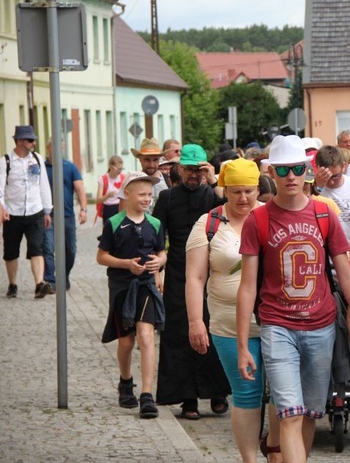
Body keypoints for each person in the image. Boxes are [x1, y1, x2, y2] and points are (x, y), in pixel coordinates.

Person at [236, 135, 350, 463]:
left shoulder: (324, 213)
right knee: (288, 414)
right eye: (283, 169)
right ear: (271, 172)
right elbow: (247, 286)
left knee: (309, 414)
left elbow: (345, 274)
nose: (291, 176)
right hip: (278, 327)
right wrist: (242, 344)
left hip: (322, 326)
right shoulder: (258, 219)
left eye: (297, 168)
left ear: (308, 170)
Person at [185, 158, 267, 462]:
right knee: (246, 393)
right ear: (224, 190)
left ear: (258, 188)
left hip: (276, 322)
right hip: (228, 325)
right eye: (235, 192)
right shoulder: (208, 225)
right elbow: (194, 278)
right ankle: (249, 459)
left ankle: (278, 452)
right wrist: (196, 321)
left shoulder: (272, 217)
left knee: (280, 395)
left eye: (248, 191)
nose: (243, 198)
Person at [153, 143, 231, 420]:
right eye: (188, 169)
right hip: (177, 272)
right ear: (179, 168)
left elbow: (232, 217)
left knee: (213, 328)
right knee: (179, 334)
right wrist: (156, 268)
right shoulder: (167, 198)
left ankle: (218, 392)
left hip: (211, 271)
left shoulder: (212, 196)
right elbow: (156, 236)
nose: (193, 174)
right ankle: (187, 398)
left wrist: (215, 181)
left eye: (198, 170)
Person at [96, 171, 167, 419]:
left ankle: (147, 395)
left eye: (149, 195)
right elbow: (101, 257)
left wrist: (158, 263)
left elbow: (161, 252)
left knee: (146, 336)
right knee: (126, 342)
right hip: (122, 288)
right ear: (127, 195)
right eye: (142, 195)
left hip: (146, 286)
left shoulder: (155, 224)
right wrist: (126, 264)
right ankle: (126, 381)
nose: (147, 199)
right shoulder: (114, 224)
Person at [0, 125, 53, 299]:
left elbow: (43, 185)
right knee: (11, 251)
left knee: (37, 248)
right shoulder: (6, 161)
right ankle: (13, 284)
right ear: (20, 141)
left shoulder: (37, 159)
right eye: (30, 140)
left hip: (34, 211)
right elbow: (0, 189)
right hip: (12, 212)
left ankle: (39, 284)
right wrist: (2, 208)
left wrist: (47, 211)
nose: (34, 143)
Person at [43, 139, 87, 293]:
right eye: (55, 147)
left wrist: (83, 209)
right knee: (48, 248)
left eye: (61, 148)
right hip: (47, 216)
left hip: (67, 216)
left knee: (70, 250)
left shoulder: (69, 167)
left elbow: (80, 188)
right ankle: (50, 281)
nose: (58, 150)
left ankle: (64, 275)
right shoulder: (42, 167)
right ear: (48, 148)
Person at [314, 145, 350, 236]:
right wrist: (317, 187)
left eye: (335, 176)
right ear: (318, 168)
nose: (331, 182)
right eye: (326, 176)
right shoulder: (311, 189)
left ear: (344, 166)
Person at [120, 138, 168, 214]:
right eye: (147, 160)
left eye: (155, 160)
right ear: (140, 159)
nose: (151, 165)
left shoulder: (168, 180)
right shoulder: (131, 181)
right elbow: (122, 214)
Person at [96, 155, 125, 226]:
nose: (120, 171)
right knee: (109, 231)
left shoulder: (123, 177)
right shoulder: (103, 179)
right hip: (108, 209)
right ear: (111, 167)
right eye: (118, 169)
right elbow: (98, 200)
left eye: (121, 169)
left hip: (120, 207)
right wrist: (108, 195)